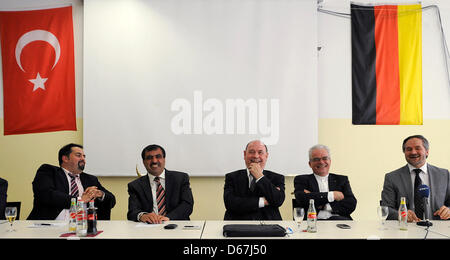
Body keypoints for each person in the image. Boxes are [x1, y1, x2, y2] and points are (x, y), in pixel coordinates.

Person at [27, 143, 116, 220]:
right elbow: (46, 194)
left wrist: (100, 194)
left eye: (84, 156)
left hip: (84, 227)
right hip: (49, 227)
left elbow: (112, 200)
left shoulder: (90, 179)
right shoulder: (49, 171)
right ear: (65, 158)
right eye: (78, 155)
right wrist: (80, 200)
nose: (83, 159)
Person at [381, 135, 450, 221]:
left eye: (418, 148)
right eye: (409, 149)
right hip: (405, 229)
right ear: (404, 152)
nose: (413, 152)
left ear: (427, 151)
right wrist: (400, 214)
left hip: (438, 229)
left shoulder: (444, 175)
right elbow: (386, 209)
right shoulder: (392, 178)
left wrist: (448, 211)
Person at [127, 144, 194, 224]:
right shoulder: (135, 185)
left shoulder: (180, 178)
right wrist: (142, 216)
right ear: (144, 162)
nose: (154, 161)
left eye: (158, 156)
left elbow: (187, 205)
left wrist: (168, 218)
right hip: (148, 228)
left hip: (176, 225)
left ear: (164, 159)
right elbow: (132, 211)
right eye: (149, 158)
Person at [223, 140, 285, 220]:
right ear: (245, 154)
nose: (256, 156)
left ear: (266, 156)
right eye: (251, 152)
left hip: (269, 227)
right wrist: (263, 201)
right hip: (237, 226)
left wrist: (260, 177)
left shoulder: (277, 178)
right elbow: (230, 203)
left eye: (260, 152)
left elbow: (278, 200)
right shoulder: (232, 177)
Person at [294, 144, 357, 220]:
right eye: (316, 159)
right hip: (313, 223)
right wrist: (332, 195)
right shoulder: (301, 179)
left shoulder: (341, 179)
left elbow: (351, 204)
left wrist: (323, 205)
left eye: (324, 158)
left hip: (340, 222)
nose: (321, 162)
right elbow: (302, 199)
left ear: (330, 161)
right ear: (310, 164)